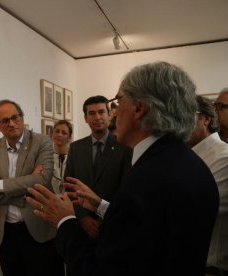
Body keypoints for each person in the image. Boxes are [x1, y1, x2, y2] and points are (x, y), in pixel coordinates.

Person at [26, 61, 219, 275]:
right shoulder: (191, 165)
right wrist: (100, 205)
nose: (113, 113)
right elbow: (149, 228)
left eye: (117, 102)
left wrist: (65, 220)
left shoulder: (145, 181)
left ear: (139, 108)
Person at [0, 99, 64, 276]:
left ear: (22, 118)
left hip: (39, 229)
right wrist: (28, 184)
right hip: (5, 233)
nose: (11, 123)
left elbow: (43, 179)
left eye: (15, 117)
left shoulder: (42, 142)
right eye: (5, 120)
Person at [64, 95, 132, 238]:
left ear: (110, 114)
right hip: (82, 226)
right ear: (85, 118)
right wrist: (83, 218)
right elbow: (69, 185)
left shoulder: (125, 148)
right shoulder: (76, 148)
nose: (97, 117)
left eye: (101, 112)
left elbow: (126, 188)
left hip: (114, 223)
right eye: (92, 113)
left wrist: (103, 217)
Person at [186, 95, 228, 276]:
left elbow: (189, 212)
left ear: (205, 119)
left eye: (187, 115)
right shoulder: (187, 157)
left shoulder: (223, 157)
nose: (180, 123)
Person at [51, 120, 73, 194]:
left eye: (64, 133)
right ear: (52, 134)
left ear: (69, 138)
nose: (59, 135)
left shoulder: (75, 158)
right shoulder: (44, 156)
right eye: (57, 131)